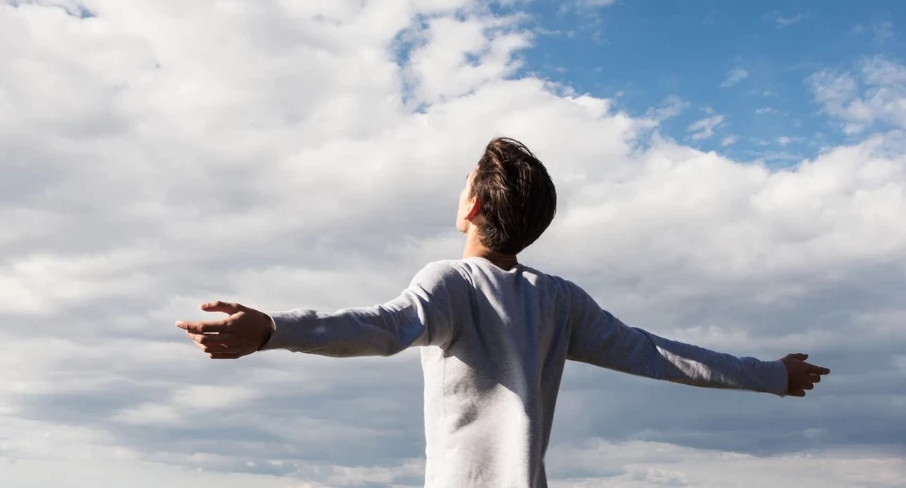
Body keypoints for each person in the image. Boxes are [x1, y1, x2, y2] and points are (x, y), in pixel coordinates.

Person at [175, 137, 830, 488]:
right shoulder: (560, 300)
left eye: (464, 182)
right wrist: (773, 374)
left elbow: (383, 327)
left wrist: (273, 329)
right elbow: (659, 354)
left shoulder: (451, 282)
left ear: (473, 208)